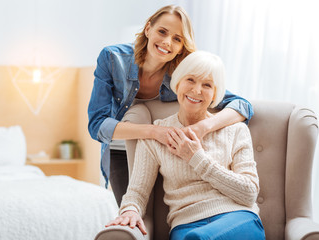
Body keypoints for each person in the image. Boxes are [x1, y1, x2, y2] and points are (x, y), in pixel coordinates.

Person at [87, 5, 254, 206]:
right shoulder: (112, 59)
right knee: (131, 213)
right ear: (148, 29)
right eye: (162, 32)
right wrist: (155, 132)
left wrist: (203, 127)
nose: (167, 42)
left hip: (164, 153)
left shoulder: (183, 76)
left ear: (182, 46)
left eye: (177, 39)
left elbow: (242, 105)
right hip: (120, 150)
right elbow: (97, 125)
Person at [105, 51, 265, 239]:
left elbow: (249, 193)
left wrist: (196, 157)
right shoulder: (156, 135)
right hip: (186, 225)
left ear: (215, 94)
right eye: (190, 80)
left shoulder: (236, 130)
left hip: (237, 219)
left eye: (207, 85)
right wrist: (130, 210)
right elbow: (136, 192)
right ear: (177, 83)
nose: (197, 90)